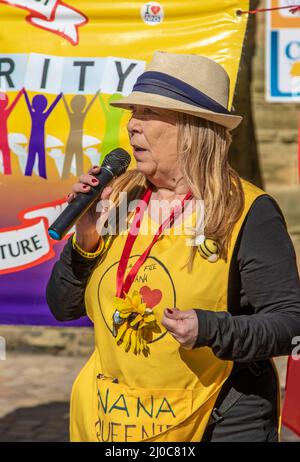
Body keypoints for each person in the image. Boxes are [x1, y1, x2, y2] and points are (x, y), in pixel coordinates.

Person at [46, 51, 300, 442]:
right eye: (133, 112)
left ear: (192, 127)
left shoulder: (249, 211)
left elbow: (289, 323)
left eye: (148, 112)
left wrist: (212, 328)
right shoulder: (119, 197)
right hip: (112, 418)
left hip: (218, 418)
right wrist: (84, 241)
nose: (132, 125)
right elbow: (62, 307)